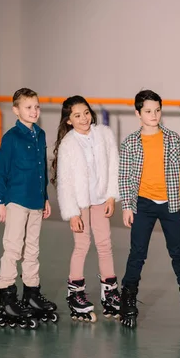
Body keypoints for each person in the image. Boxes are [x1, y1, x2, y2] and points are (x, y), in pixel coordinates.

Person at [118, 89, 180, 328]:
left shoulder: (172, 139)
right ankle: (127, 300)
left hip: (170, 204)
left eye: (157, 110)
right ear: (138, 113)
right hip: (143, 204)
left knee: (178, 253)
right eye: (148, 111)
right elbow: (125, 177)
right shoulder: (130, 142)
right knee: (137, 253)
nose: (154, 115)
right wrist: (127, 206)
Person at [51, 96, 122, 323]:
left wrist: (112, 196)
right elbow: (65, 181)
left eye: (86, 113)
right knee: (82, 244)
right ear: (69, 120)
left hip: (101, 199)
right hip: (80, 204)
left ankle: (110, 292)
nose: (83, 118)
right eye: (77, 115)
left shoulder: (104, 134)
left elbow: (113, 165)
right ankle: (76, 292)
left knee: (105, 244)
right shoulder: (68, 144)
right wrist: (72, 212)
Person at [0, 87, 56, 330]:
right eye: (29, 107)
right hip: (16, 200)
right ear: (16, 110)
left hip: (36, 202)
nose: (34, 111)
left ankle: (31, 293)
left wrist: (45, 198)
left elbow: (42, 171)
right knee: (13, 248)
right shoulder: (11, 138)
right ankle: (7, 298)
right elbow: (1, 171)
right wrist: (1, 201)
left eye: (37, 106)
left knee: (32, 249)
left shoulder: (40, 135)